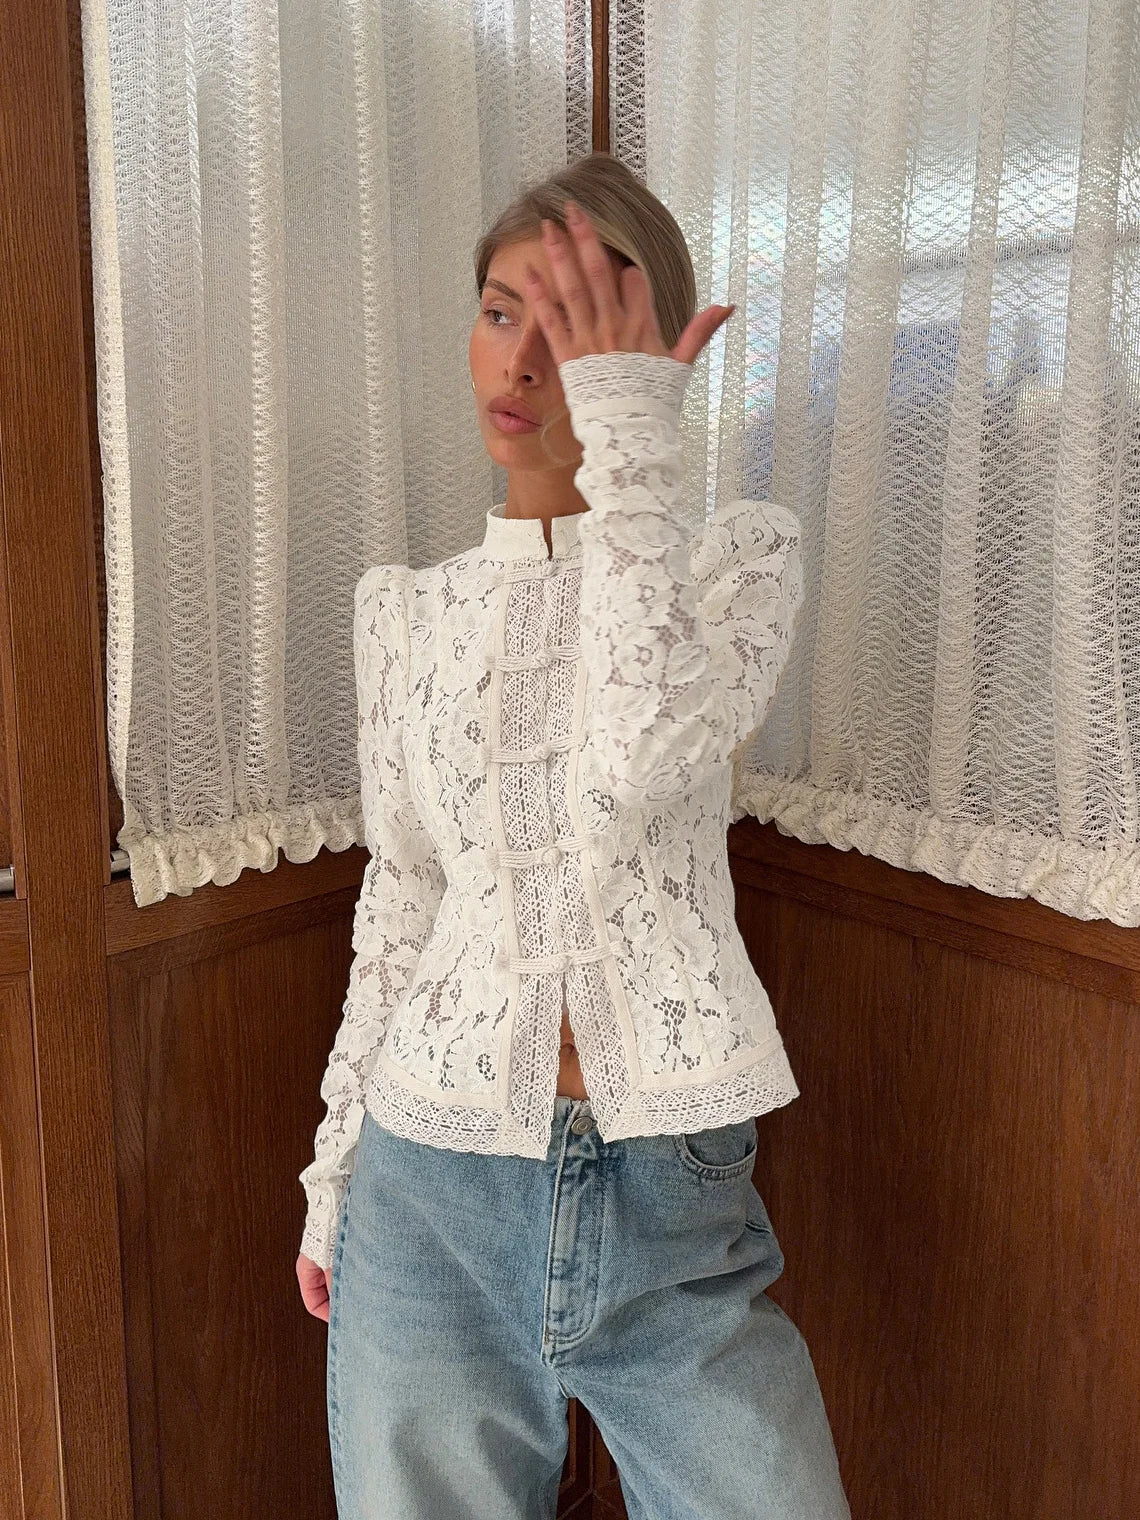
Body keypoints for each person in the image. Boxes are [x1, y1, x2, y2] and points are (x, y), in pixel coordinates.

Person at [295, 150, 851, 1520]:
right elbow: (404, 902)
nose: (526, 357)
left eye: (579, 323)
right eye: (500, 309)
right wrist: (334, 1175)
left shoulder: (737, 561)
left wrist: (636, 445)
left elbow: (638, 763)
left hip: (667, 1191)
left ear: (653, 361)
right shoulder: (405, 613)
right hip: (424, 1189)